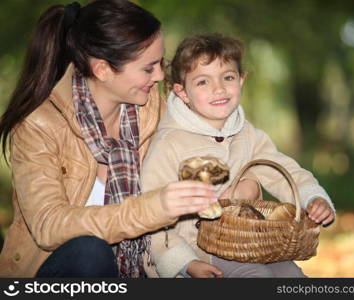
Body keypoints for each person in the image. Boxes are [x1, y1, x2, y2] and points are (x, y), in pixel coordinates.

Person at [0, 1, 236, 278]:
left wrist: (241, 183)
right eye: (148, 69)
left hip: (145, 269)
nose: (160, 75)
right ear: (102, 70)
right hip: (61, 272)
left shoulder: (154, 109)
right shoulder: (38, 125)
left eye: (161, 63)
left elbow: (207, 148)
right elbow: (49, 226)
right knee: (89, 250)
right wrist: (154, 207)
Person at [141, 33, 336, 278]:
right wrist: (184, 262)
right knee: (256, 278)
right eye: (203, 82)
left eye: (228, 77)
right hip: (196, 249)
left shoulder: (247, 133)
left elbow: (282, 172)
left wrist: (312, 198)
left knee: (291, 275)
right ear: (182, 92)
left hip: (249, 242)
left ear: (241, 80)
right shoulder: (169, 144)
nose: (219, 88)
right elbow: (152, 211)